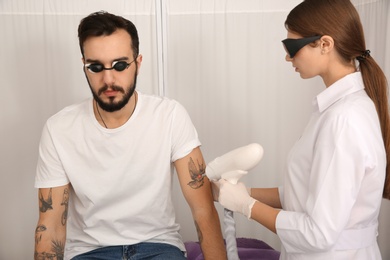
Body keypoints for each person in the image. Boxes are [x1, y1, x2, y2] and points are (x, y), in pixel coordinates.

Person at [34, 11, 227, 260]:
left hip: (158, 246)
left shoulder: (169, 116)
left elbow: (203, 210)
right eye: (95, 67)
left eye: (120, 65)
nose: (108, 79)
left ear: (138, 62)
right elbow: (50, 226)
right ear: (84, 65)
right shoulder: (58, 128)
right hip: (90, 252)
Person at [213, 0, 390, 259]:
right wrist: (240, 193)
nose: (287, 56)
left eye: (292, 46)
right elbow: (306, 193)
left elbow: (318, 233)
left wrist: (246, 206)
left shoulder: (344, 119)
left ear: (325, 44)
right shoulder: (334, 110)